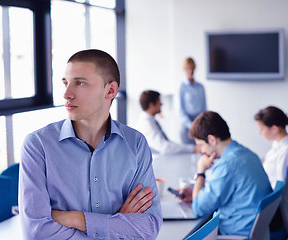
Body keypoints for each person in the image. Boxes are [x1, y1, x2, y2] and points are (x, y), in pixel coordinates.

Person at [19, 49, 162, 239]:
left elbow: (148, 228)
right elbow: (36, 232)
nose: (66, 94)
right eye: (65, 83)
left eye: (79, 83)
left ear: (110, 90)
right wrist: (117, 222)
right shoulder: (37, 146)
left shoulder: (135, 144)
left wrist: (77, 219)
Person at [178, 111, 271, 236]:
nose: (202, 151)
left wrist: (201, 171)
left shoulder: (227, 165)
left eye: (201, 145)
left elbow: (199, 208)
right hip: (258, 231)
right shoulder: (247, 154)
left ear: (211, 139)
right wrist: (197, 192)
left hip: (236, 233)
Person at [136, 90, 198, 155]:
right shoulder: (146, 123)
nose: (161, 104)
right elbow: (165, 147)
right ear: (151, 105)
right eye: (159, 101)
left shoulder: (149, 120)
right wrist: (193, 149)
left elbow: (166, 144)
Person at [255, 106, 288, 189]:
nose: (259, 133)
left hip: (274, 199)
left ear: (274, 129)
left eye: (261, 129)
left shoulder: (287, 151)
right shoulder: (279, 145)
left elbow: (279, 187)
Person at [178, 57, 206, 144]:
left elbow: (204, 107)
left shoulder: (200, 87)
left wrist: (200, 124)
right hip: (187, 127)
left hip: (199, 125)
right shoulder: (181, 87)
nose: (190, 71)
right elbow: (180, 110)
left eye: (192, 68)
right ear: (184, 70)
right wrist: (192, 126)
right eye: (188, 68)